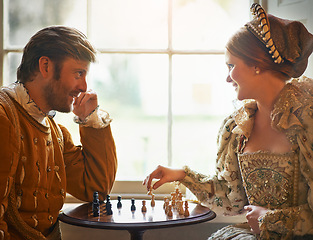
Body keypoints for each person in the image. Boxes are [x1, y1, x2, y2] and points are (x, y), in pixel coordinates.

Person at [143, 3, 313, 239]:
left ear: (256, 64)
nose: (227, 77)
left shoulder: (306, 120)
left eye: (232, 66)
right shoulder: (238, 128)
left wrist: (270, 219)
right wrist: (183, 175)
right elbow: (232, 200)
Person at [0, 26, 117, 239]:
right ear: (45, 66)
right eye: (78, 73)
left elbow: (96, 189)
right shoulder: (3, 118)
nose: (84, 86)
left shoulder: (56, 132)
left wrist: (90, 119)